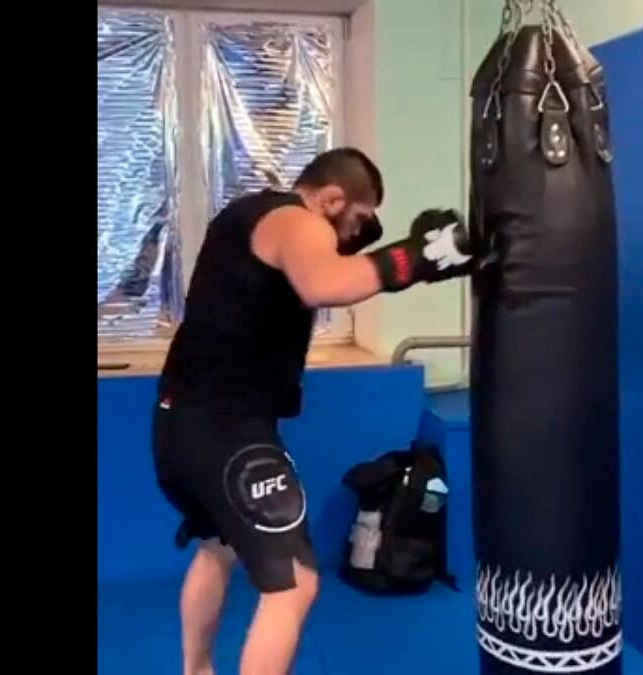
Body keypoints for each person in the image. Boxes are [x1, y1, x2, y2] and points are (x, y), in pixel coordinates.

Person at [152, 147, 472, 675]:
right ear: (330, 198)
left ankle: (196, 670)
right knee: (295, 582)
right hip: (228, 432)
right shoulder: (298, 221)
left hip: (178, 422)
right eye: (360, 217)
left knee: (218, 547)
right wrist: (414, 257)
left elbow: (309, 276)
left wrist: (378, 248)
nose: (359, 230)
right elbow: (323, 283)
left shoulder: (246, 216)